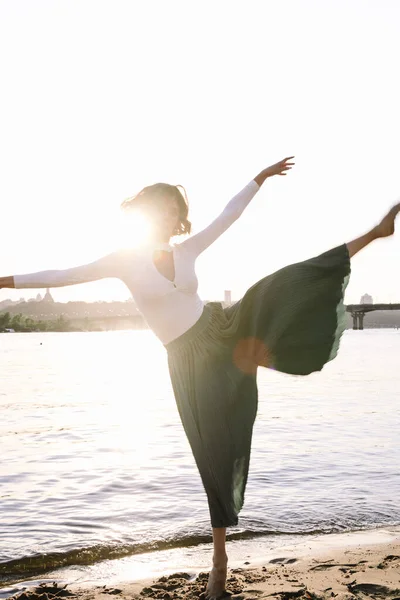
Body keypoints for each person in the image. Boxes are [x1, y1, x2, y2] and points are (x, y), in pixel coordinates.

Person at [1, 157, 399, 599]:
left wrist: (258, 180)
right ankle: (219, 560)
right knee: (213, 450)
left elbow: (228, 216)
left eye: (176, 209)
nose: (172, 215)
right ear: (147, 211)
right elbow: (63, 276)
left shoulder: (186, 251)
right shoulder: (123, 260)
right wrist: (3, 281)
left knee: (286, 284)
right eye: (164, 207)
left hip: (222, 331)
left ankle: (373, 234)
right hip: (188, 361)